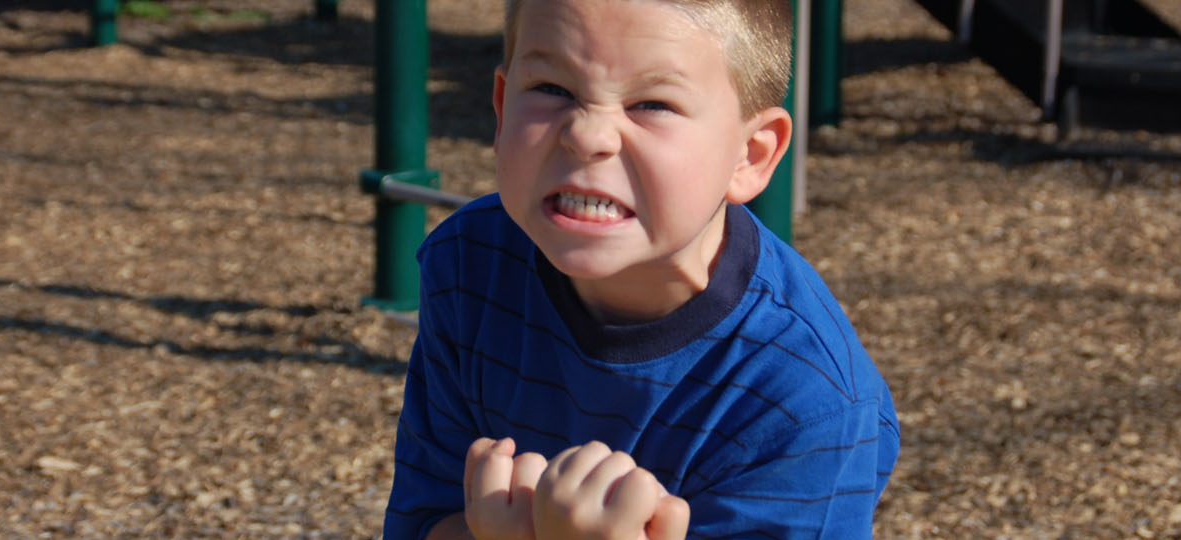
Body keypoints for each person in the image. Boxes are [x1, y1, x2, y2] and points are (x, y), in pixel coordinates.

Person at [384, 0, 899, 538]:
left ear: (749, 155)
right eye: (552, 89)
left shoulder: (804, 399)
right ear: (501, 106)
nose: (587, 135)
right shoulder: (470, 264)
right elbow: (424, 518)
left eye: (653, 104)